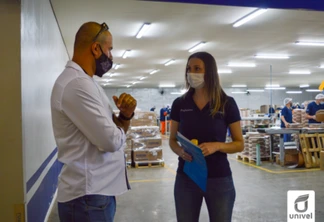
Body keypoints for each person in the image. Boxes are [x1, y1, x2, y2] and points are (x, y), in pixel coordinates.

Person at [51, 22, 137, 222]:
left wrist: (125, 116)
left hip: (95, 195)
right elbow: (111, 141)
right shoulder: (76, 84)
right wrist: (118, 131)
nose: (111, 56)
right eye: (110, 49)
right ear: (96, 48)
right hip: (86, 199)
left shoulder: (88, 83)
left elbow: (115, 128)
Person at [169, 52, 244, 222]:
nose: (191, 73)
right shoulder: (180, 104)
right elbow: (172, 140)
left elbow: (239, 144)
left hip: (218, 178)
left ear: (209, 71)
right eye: (189, 69)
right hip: (187, 178)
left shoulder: (226, 103)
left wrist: (217, 146)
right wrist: (180, 151)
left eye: (197, 68)